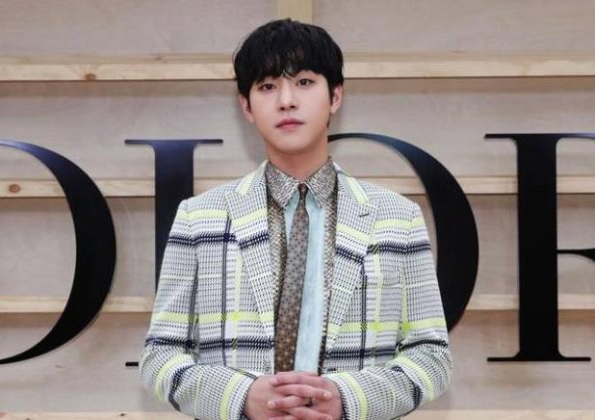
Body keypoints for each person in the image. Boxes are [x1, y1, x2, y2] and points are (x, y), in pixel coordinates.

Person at [140, 19, 451, 420]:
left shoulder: (398, 217)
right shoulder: (199, 217)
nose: (286, 100)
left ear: (335, 96)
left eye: (304, 82)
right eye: (267, 86)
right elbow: (160, 357)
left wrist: (346, 398)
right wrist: (242, 397)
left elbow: (431, 357)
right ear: (246, 106)